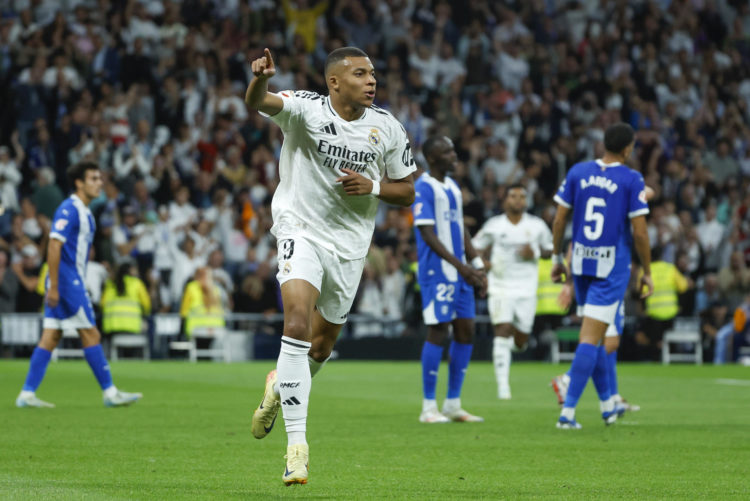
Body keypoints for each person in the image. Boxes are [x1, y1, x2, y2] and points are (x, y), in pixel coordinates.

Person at [244, 47, 416, 485]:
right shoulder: (306, 110)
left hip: (349, 247)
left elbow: (408, 190)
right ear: (335, 82)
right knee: (297, 325)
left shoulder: (387, 127)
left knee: (319, 349)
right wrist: (260, 79)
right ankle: (296, 450)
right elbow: (258, 103)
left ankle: (278, 386)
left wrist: (374, 185)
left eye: (373, 73)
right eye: (360, 74)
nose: (371, 80)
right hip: (299, 229)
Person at [15, 161, 142, 408]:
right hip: (67, 281)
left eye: (100, 178)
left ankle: (26, 394)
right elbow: (54, 244)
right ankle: (110, 392)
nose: (99, 183)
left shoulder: (85, 212)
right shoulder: (70, 208)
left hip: (67, 279)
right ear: (79, 183)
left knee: (51, 336)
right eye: (93, 178)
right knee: (91, 333)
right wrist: (54, 286)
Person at [550, 123, 652, 429]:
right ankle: (567, 413)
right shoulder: (631, 178)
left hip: (580, 264)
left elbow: (558, 220)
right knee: (592, 339)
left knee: (599, 336)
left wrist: (557, 258)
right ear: (627, 149)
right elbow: (640, 232)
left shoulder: (578, 172)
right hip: (611, 268)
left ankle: (608, 405)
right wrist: (646, 271)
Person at [412, 135, 485, 423]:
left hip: (461, 272)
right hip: (438, 272)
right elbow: (428, 234)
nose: (454, 155)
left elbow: (461, 229)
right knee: (439, 331)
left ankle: (453, 402)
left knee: (466, 330)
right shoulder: (424, 187)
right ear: (432, 158)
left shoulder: (453, 187)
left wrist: (476, 264)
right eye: (447, 151)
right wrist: (461, 267)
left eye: (453, 149)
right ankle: (429, 407)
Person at [472, 183, 553, 399]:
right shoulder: (494, 225)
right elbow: (475, 246)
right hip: (500, 286)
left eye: (521, 196)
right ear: (505, 200)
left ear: (526, 201)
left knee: (520, 340)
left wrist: (534, 251)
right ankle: (503, 388)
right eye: (513, 196)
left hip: (527, 288)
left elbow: (550, 250)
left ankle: (515, 344)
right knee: (502, 329)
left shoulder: (537, 226)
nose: (518, 200)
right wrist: (483, 263)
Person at [100, 260, 151, 355]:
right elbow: (147, 305)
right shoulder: (137, 283)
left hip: (112, 327)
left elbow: (102, 305)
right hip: (132, 327)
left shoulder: (109, 284)